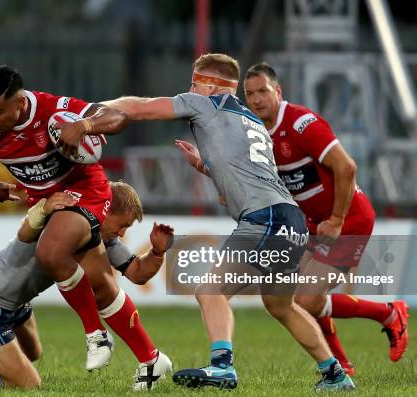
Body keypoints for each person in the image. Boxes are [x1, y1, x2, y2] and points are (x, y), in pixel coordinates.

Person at [58, 53, 355, 391]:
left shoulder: (206, 104)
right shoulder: (252, 121)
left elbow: (139, 107)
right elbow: (248, 171)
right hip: (290, 218)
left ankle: (222, 366)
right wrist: (206, 165)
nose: (189, 88)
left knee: (210, 290)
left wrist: (89, 111)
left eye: (195, 81)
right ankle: (334, 374)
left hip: (264, 218)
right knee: (280, 305)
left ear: (212, 86)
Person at [0, 65, 162, 373]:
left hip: (84, 192)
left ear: (20, 102)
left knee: (50, 252)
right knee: (102, 284)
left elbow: (118, 118)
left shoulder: (52, 111)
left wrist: (85, 126)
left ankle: (96, 335)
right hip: (48, 205)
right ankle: (151, 359)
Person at [243, 62, 409, 375]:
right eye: (249, 94)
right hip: (312, 224)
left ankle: (387, 315)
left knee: (306, 299)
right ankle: (345, 361)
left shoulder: (302, 123)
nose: (256, 99)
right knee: (304, 299)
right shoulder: (256, 134)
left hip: (348, 221)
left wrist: (336, 219)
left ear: (277, 92)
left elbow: (346, 167)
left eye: (262, 91)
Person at [0, 182, 174, 389]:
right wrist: (43, 207)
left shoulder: (98, 236)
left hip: (16, 304)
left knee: (33, 353)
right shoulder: (66, 218)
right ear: (106, 209)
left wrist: (157, 252)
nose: (122, 233)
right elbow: (25, 233)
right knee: (27, 385)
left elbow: (137, 273)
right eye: (123, 225)